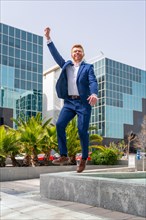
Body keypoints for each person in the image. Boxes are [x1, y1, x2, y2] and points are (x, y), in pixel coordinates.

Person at [44, 27, 98, 173]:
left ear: (83, 54)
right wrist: (48, 39)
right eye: (74, 51)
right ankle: (63, 155)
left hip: (83, 103)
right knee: (60, 124)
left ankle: (84, 159)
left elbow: (93, 81)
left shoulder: (88, 68)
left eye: (79, 51)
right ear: (72, 54)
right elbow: (56, 56)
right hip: (69, 103)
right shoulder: (66, 65)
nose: (77, 53)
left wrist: (94, 94)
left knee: (82, 131)